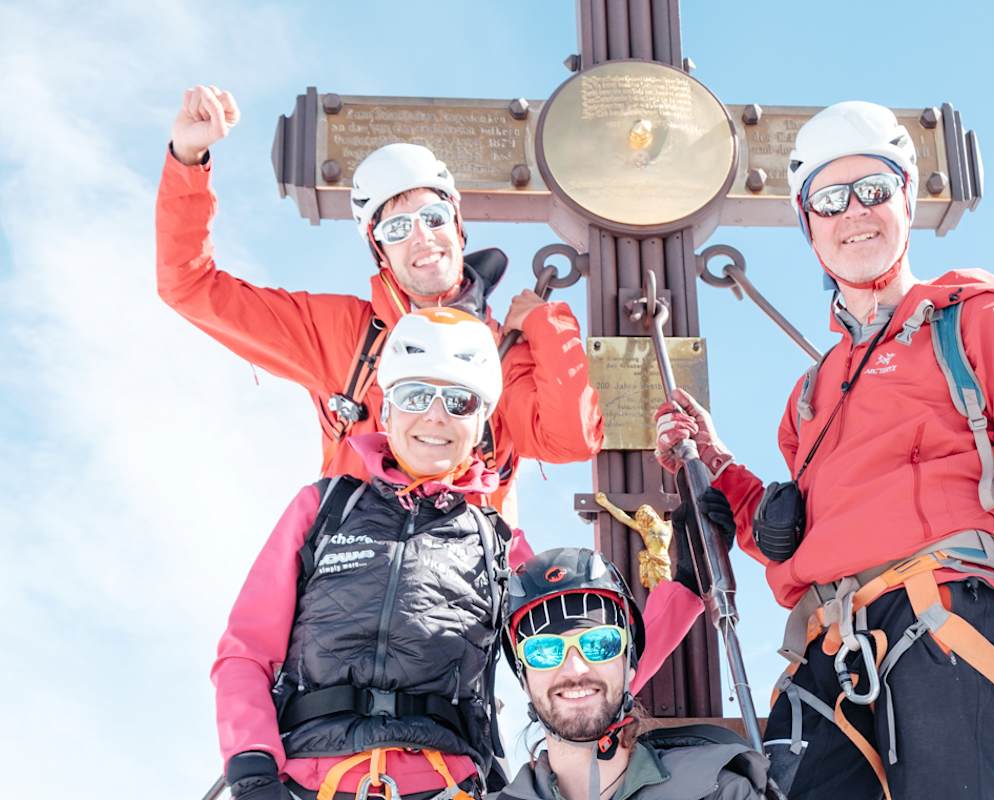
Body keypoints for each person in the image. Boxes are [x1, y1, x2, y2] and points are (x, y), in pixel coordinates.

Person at [654, 101, 994, 799]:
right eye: (831, 200)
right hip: (825, 649)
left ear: (907, 196)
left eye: (874, 189)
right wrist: (715, 464)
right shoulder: (810, 396)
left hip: (940, 620)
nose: (855, 214)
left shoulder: (977, 318)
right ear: (807, 225)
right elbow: (795, 537)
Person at [214, 308, 700, 800]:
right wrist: (252, 766)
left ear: (482, 420)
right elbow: (246, 651)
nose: (436, 416)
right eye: (415, 395)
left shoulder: (495, 542)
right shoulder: (324, 509)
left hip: (445, 784)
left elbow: (594, 657)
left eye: (459, 401)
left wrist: (687, 582)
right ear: (386, 410)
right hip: (307, 779)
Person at [158, 85, 602, 520]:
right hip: (353, 583)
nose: (422, 237)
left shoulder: (502, 354)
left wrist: (547, 324)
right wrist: (187, 158)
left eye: (433, 217)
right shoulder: (341, 336)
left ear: (457, 225)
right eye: (397, 228)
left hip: (468, 587)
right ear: (380, 251)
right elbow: (190, 285)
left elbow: (570, 438)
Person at [494, 547, 776, 800]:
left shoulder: (716, 792)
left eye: (600, 644)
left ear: (629, 664)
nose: (575, 668)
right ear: (524, 677)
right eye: (543, 651)